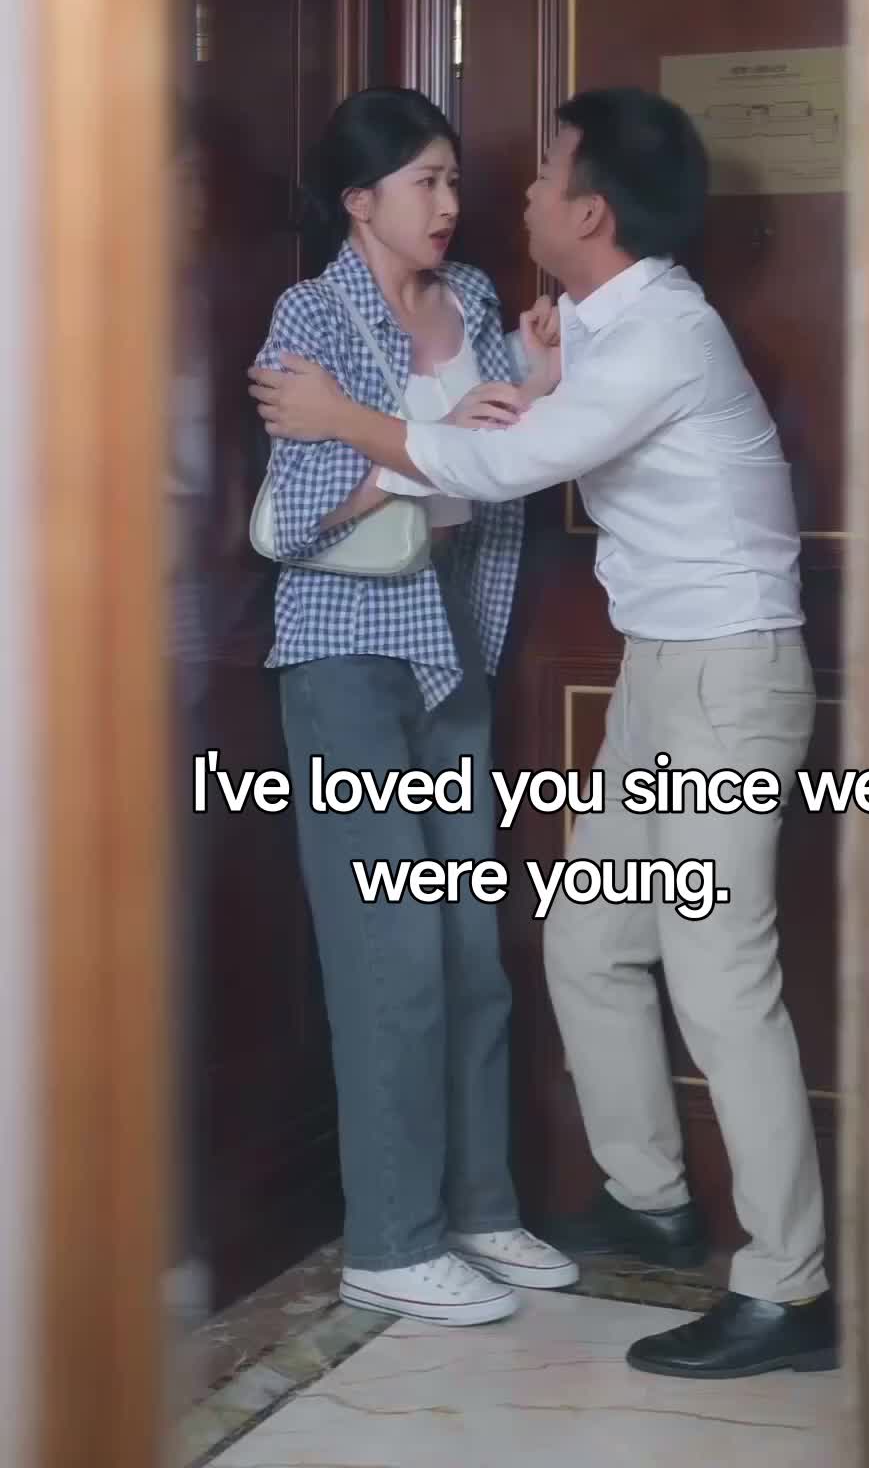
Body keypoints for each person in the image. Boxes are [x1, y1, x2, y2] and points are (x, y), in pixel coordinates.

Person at [249, 85, 837, 1381]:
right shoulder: (601, 327)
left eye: (542, 170)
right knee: (587, 937)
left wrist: (349, 420)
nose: (510, 193)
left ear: (592, 210)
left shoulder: (664, 335)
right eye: (436, 178)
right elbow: (498, 436)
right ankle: (650, 1198)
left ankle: (789, 1284)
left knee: (719, 974)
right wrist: (524, 384)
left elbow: (502, 468)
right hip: (662, 676)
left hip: (728, 684)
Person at [251, 86, 577, 1327]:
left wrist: (532, 381)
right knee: (390, 950)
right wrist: (422, 442)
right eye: (423, 181)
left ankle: (479, 1207)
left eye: (452, 179)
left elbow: (499, 461)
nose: (448, 203)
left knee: (468, 949)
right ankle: (390, 1239)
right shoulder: (312, 312)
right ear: (358, 200)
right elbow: (298, 517)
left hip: (454, 637)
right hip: (346, 652)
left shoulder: (478, 301)